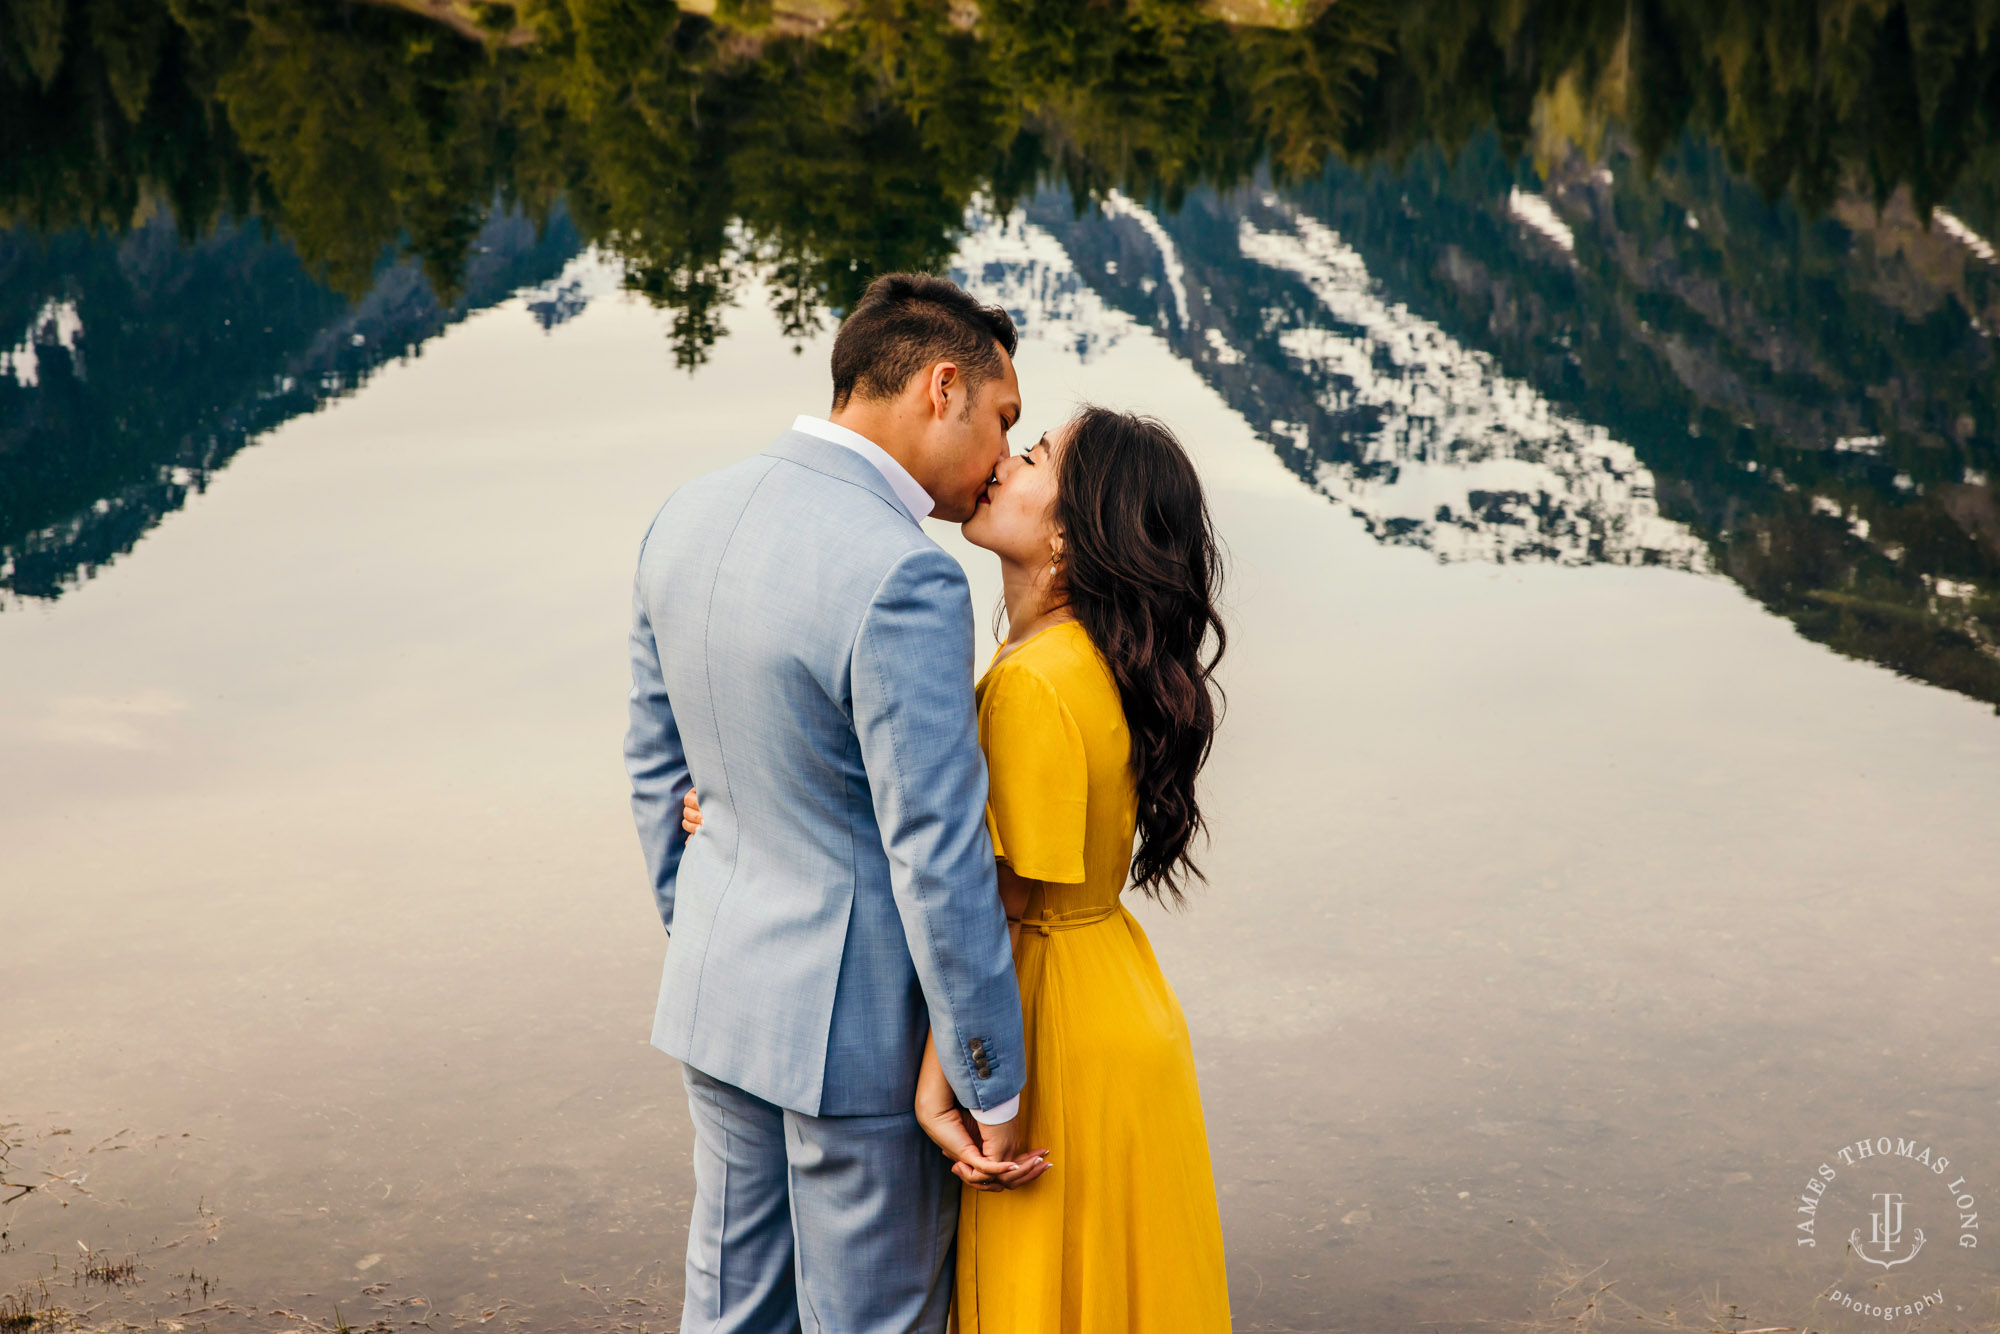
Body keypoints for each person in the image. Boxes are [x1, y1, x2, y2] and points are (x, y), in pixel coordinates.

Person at [682, 405, 1233, 1331]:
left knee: (1040, 1293)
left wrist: (955, 1085)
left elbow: (996, 896)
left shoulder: (1030, 683)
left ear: (1072, 528)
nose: (1003, 464)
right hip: (1117, 997)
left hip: (1047, 1011)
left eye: (1035, 455)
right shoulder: (1089, 663)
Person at [623, 272, 1049, 1334]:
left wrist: (705, 925)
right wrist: (987, 1081)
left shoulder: (688, 511)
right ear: (941, 386)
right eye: (1003, 419)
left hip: (720, 997)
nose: (1003, 455)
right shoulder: (902, 573)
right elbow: (936, 851)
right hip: (855, 1038)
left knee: (729, 1314)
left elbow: (652, 768)